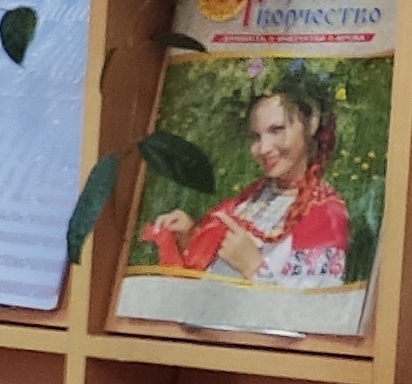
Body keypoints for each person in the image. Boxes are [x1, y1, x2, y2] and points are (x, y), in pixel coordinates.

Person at [137, 74, 352, 290]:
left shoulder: (323, 212)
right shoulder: (256, 194)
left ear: (311, 123)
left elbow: (316, 304)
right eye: (256, 137)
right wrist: (188, 235)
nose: (263, 148)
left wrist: (253, 267)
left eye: (276, 130)